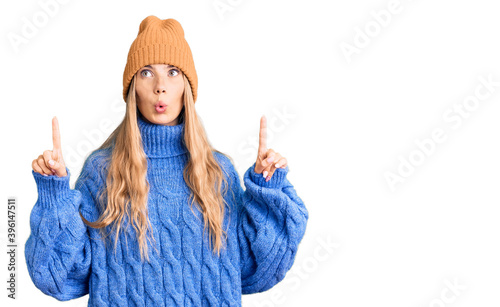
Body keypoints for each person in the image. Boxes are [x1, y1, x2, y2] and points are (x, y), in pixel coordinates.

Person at [26, 15, 309, 306]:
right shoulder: (103, 171)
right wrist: (54, 196)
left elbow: (257, 272)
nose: (160, 86)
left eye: (173, 72)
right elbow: (59, 278)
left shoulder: (218, 174)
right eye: (147, 73)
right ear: (132, 88)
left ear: (187, 86)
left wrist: (267, 189)